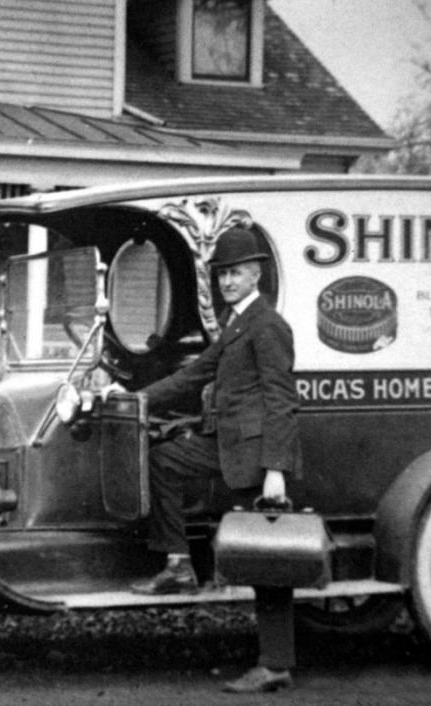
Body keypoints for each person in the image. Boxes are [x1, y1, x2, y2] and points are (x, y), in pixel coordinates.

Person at [103, 226, 301, 693]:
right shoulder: (236, 325)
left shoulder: (268, 325)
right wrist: (136, 399)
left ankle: (275, 665)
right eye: (222, 275)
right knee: (166, 460)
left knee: (267, 560)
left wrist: (276, 472)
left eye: (236, 273)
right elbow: (195, 374)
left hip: (255, 455)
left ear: (256, 274)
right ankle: (179, 565)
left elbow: (282, 401)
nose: (228, 282)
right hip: (227, 445)